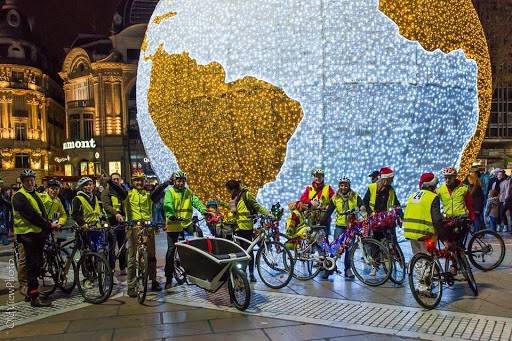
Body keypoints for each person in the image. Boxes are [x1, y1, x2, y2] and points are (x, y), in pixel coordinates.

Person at [108, 171, 170, 296]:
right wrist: (109, 182)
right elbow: (118, 189)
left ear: (144, 181)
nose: (139, 182)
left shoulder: (148, 195)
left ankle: (153, 281)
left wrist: (166, 183)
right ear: (133, 182)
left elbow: (157, 192)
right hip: (132, 228)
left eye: (141, 180)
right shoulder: (128, 194)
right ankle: (131, 285)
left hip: (147, 228)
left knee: (151, 255)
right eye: (136, 180)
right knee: (132, 258)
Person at [12, 169, 59, 307]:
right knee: (32, 266)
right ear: (22, 182)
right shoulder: (19, 196)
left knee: (37, 265)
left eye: (32, 180)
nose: (30, 182)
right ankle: (34, 297)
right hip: (28, 235)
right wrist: (48, 225)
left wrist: (47, 226)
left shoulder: (34, 194)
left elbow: (42, 213)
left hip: (37, 234)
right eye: (27, 180)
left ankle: (30, 293)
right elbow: (32, 215)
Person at [163, 170, 206, 289]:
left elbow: (196, 201)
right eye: (178, 180)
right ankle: (168, 278)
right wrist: (171, 214)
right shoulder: (169, 192)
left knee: (198, 238)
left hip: (187, 223)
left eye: (183, 181)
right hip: (173, 224)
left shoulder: (188, 192)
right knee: (171, 251)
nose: (181, 183)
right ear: (175, 181)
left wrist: (204, 210)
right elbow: (167, 204)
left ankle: (198, 268)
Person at [222, 179, 271, 283]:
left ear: (234, 188)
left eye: (229, 190)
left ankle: (251, 274)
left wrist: (268, 214)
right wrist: (223, 204)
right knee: (240, 252)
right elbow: (234, 209)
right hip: (237, 228)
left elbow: (257, 206)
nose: (229, 193)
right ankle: (242, 274)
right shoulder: (235, 197)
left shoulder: (246, 195)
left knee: (248, 252)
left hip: (246, 228)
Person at [322, 177, 365, 279]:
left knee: (349, 249)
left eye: (346, 185)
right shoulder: (335, 197)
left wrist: (364, 211)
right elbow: (329, 212)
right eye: (342, 185)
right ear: (339, 186)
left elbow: (362, 206)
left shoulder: (355, 196)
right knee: (336, 247)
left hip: (351, 227)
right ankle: (329, 268)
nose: (343, 187)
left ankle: (348, 269)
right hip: (340, 226)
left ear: (349, 186)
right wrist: (321, 223)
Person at [403, 172, 443, 255]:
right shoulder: (433, 197)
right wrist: (443, 234)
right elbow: (436, 219)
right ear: (432, 185)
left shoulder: (412, 195)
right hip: (424, 233)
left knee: (418, 258)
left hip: (410, 231)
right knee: (428, 257)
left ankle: (417, 266)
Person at [101, 172, 128, 276]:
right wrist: (116, 213)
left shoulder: (122, 191)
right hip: (112, 222)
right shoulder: (106, 192)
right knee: (112, 247)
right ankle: (111, 267)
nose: (116, 181)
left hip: (122, 223)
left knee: (122, 247)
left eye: (117, 179)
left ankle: (123, 267)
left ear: (120, 180)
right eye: (114, 179)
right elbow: (106, 206)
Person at [71, 177, 105, 254]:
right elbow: (75, 214)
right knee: (87, 253)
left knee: (100, 250)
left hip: (96, 228)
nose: (89, 187)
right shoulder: (77, 199)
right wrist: (82, 224)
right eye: (86, 185)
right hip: (85, 229)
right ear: (82, 187)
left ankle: (98, 264)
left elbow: (100, 211)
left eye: (90, 184)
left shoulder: (95, 198)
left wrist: (103, 220)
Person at [299, 169, 335, 235]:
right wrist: (310, 201)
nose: (318, 178)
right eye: (316, 176)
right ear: (314, 177)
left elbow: (335, 199)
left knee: (324, 237)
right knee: (311, 236)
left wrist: (329, 206)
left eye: (320, 176)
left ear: (323, 177)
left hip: (324, 216)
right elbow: (302, 198)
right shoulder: (309, 188)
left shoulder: (328, 187)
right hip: (312, 216)